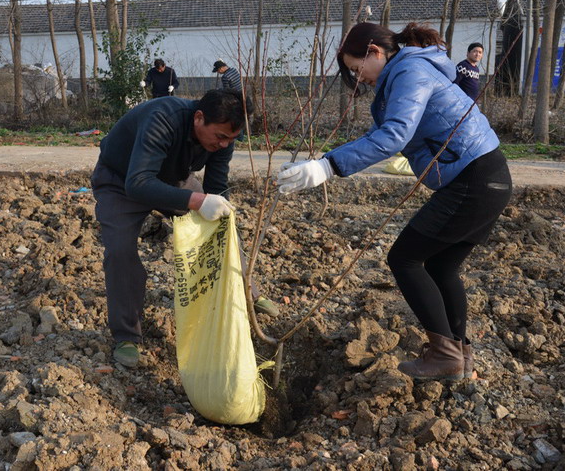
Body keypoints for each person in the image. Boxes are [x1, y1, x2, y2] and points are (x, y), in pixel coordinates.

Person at [276, 22, 512, 381]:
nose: (359, 79)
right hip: (488, 176)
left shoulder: (410, 71)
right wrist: (322, 161)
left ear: (374, 52)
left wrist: (328, 167)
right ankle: (459, 356)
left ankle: (445, 356)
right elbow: (380, 133)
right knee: (441, 266)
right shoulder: (407, 72)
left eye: (357, 68)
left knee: (404, 258)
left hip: (473, 180)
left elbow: (394, 135)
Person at [93, 89, 279, 368]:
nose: (224, 144)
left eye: (231, 139)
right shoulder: (162, 118)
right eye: (220, 137)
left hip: (173, 180)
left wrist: (216, 205)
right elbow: (138, 183)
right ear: (199, 118)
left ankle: (247, 290)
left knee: (222, 223)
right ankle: (126, 335)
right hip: (121, 182)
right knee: (120, 250)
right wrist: (197, 201)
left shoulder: (224, 139)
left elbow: (217, 186)